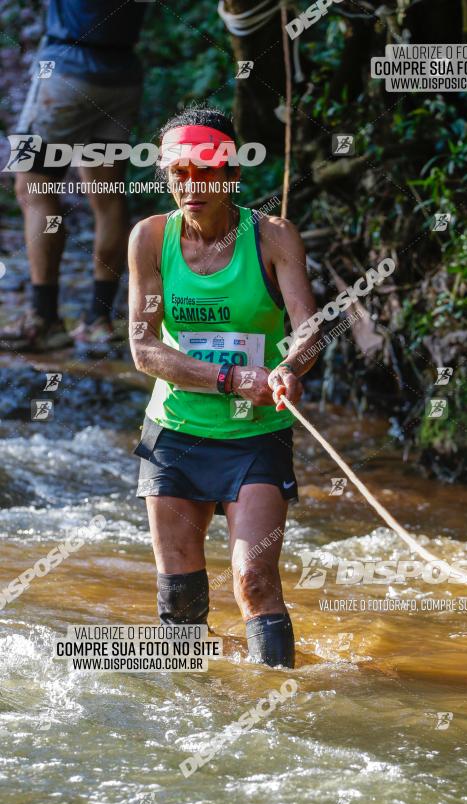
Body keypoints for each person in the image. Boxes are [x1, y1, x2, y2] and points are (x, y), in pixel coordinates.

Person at [128, 105, 319, 668]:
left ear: (232, 176)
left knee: (255, 579)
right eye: (178, 172)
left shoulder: (275, 237)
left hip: (255, 436)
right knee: (182, 602)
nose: (191, 185)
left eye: (206, 172)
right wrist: (234, 378)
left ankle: (281, 707)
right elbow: (145, 349)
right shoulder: (149, 239)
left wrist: (291, 366)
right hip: (176, 434)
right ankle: (192, 715)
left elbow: (308, 329)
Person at [2, 0, 147, 353]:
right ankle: (98, 320)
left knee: (32, 185)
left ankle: (44, 318)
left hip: (64, 72)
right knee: (108, 196)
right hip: (122, 75)